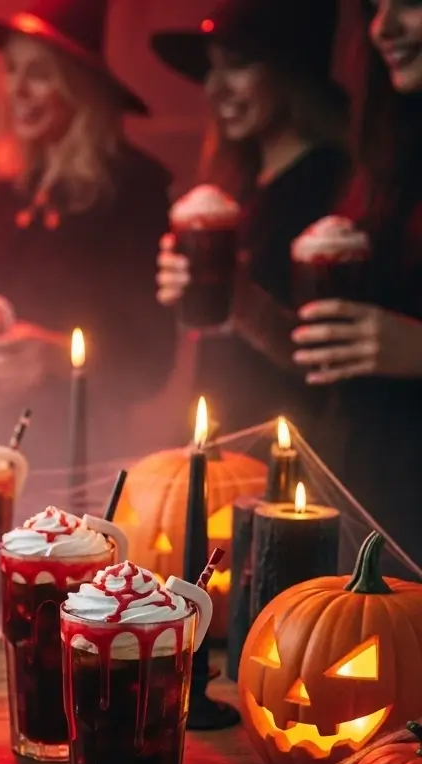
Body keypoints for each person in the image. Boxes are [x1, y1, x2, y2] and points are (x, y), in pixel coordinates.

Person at [0, 0, 176, 470]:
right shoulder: (9, 192)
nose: (17, 88)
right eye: (11, 69)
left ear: (79, 84)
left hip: (85, 454)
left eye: (39, 72)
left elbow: (150, 363)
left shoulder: (134, 191)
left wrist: (57, 357)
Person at [151, 0, 352, 442]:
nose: (214, 88)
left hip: (292, 452)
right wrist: (186, 294)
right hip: (223, 434)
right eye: (210, 69)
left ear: (291, 71)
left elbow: (323, 365)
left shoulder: (335, 184)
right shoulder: (237, 184)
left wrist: (238, 300)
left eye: (237, 65)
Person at [289, 0, 422, 565]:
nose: (381, 27)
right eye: (373, 6)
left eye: (409, 3)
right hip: (374, 501)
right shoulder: (391, 155)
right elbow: (332, 355)